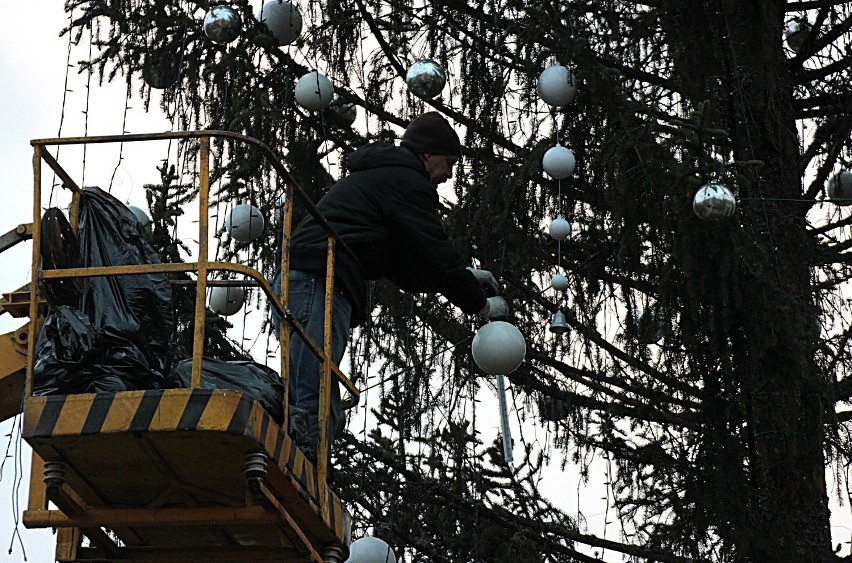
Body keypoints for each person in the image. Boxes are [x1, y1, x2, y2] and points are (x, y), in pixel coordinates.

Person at [275, 111, 509, 462]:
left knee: (309, 382)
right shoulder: (407, 181)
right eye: (448, 163)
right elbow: (433, 250)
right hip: (320, 277)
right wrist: (482, 305)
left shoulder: (383, 181)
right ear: (427, 154)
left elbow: (406, 269)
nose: (448, 175)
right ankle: (307, 467)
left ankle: (304, 459)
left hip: (308, 276)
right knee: (316, 385)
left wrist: (463, 278)